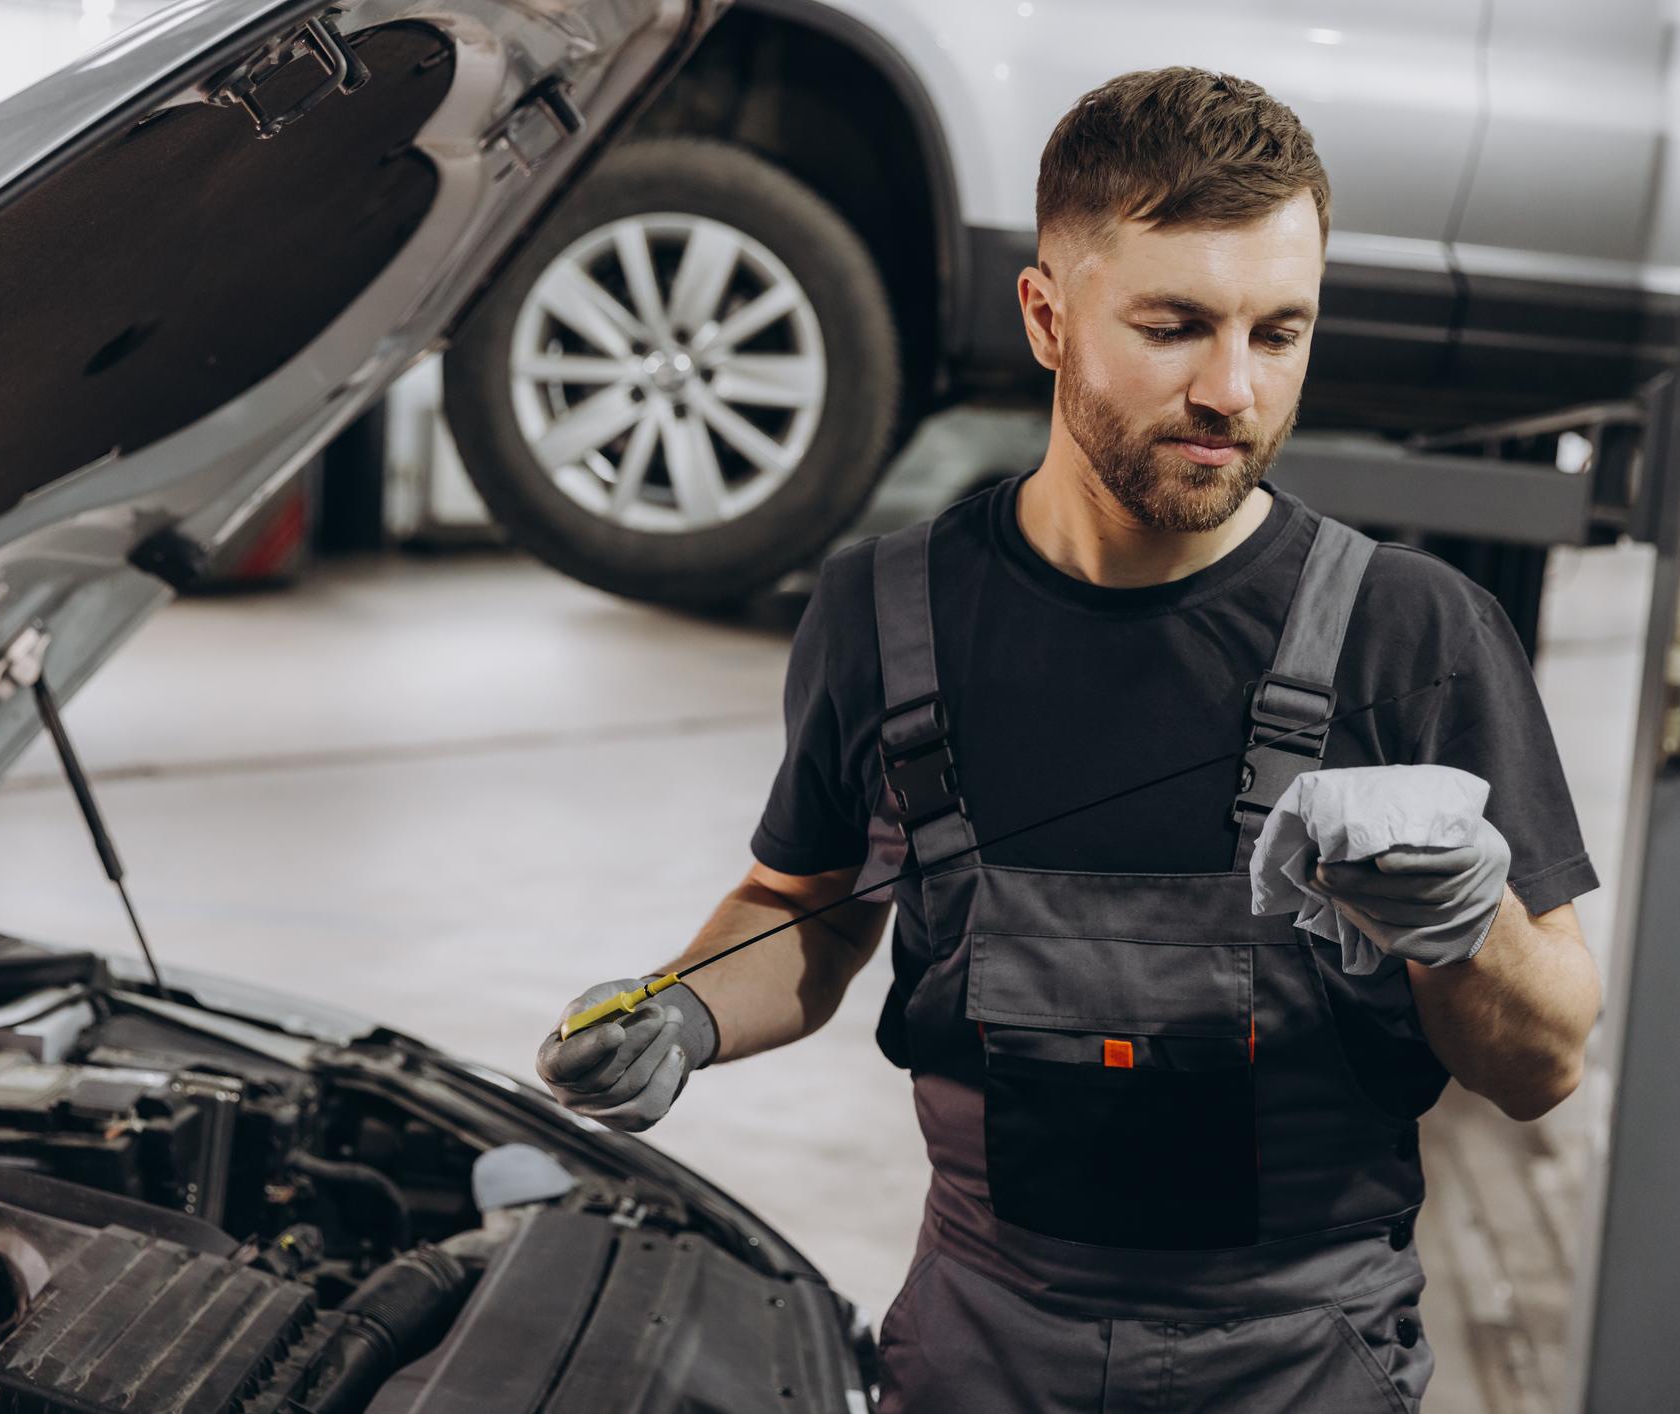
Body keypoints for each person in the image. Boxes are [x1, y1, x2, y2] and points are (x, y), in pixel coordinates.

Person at [535, 67, 1602, 1413]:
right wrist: (685, 1006)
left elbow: (1544, 1061)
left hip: (1298, 1360)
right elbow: (808, 909)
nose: (1233, 389)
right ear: (1047, 315)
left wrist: (1471, 926)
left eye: (1281, 333)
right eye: (1175, 326)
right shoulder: (887, 611)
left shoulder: (1413, 631)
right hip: (982, 1342)